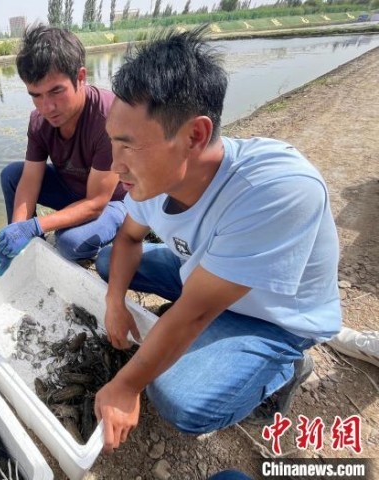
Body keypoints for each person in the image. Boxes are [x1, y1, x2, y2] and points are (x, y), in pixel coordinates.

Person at [93, 26, 342, 453]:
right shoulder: (154, 180)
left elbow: (192, 315)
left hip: (272, 315)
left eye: (128, 147)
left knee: (178, 400)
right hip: (206, 274)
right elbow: (128, 240)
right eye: (112, 142)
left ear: (194, 136)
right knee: (106, 263)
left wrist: (125, 385)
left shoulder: (276, 189)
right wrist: (115, 302)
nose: (115, 165)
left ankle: (289, 366)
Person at [0, 25, 126, 276]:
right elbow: (29, 182)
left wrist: (36, 225)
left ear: (80, 77)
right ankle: (24, 248)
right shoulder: (39, 121)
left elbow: (96, 202)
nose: (47, 106)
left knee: (69, 243)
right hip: (72, 190)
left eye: (56, 91)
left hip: (112, 201)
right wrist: (18, 230)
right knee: (12, 175)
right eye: (36, 95)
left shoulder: (109, 117)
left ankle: (103, 239)